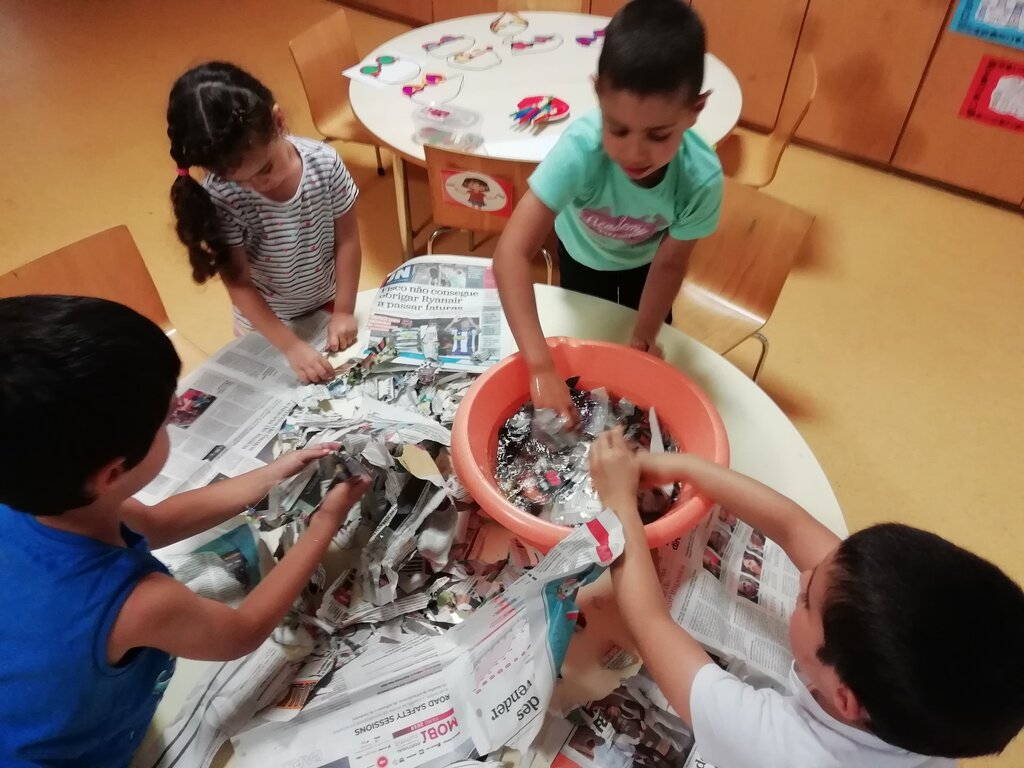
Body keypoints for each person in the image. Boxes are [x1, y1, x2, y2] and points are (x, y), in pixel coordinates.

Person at [0, 295, 369, 767]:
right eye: (165, 420)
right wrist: (325, 524)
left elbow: (156, 521)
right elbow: (241, 632)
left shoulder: (42, 500)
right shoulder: (140, 602)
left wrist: (272, 473)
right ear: (112, 474)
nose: (174, 415)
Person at [589, 429, 1024, 768]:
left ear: (845, 698)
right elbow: (793, 527)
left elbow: (650, 622)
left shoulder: (782, 749)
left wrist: (618, 501)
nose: (803, 577)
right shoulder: (930, 702)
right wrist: (681, 466)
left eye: (806, 601)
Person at [494, 0, 722, 421]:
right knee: (587, 351)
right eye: (617, 128)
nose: (634, 153)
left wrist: (645, 334)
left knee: (639, 357)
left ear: (695, 111)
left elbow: (670, 265)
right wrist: (541, 364)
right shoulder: (580, 151)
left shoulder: (701, 178)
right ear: (598, 94)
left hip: (646, 268)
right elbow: (510, 253)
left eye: (658, 134)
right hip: (581, 259)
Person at [167, 61, 362, 384]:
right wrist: (290, 346)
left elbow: (348, 240)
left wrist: (343, 310)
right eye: (241, 182)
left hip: (328, 303)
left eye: (264, 169)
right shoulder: (222, 197)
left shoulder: (324, 164)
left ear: (279, 120)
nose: (259, 185)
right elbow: (239, 283)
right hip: (268, 328)